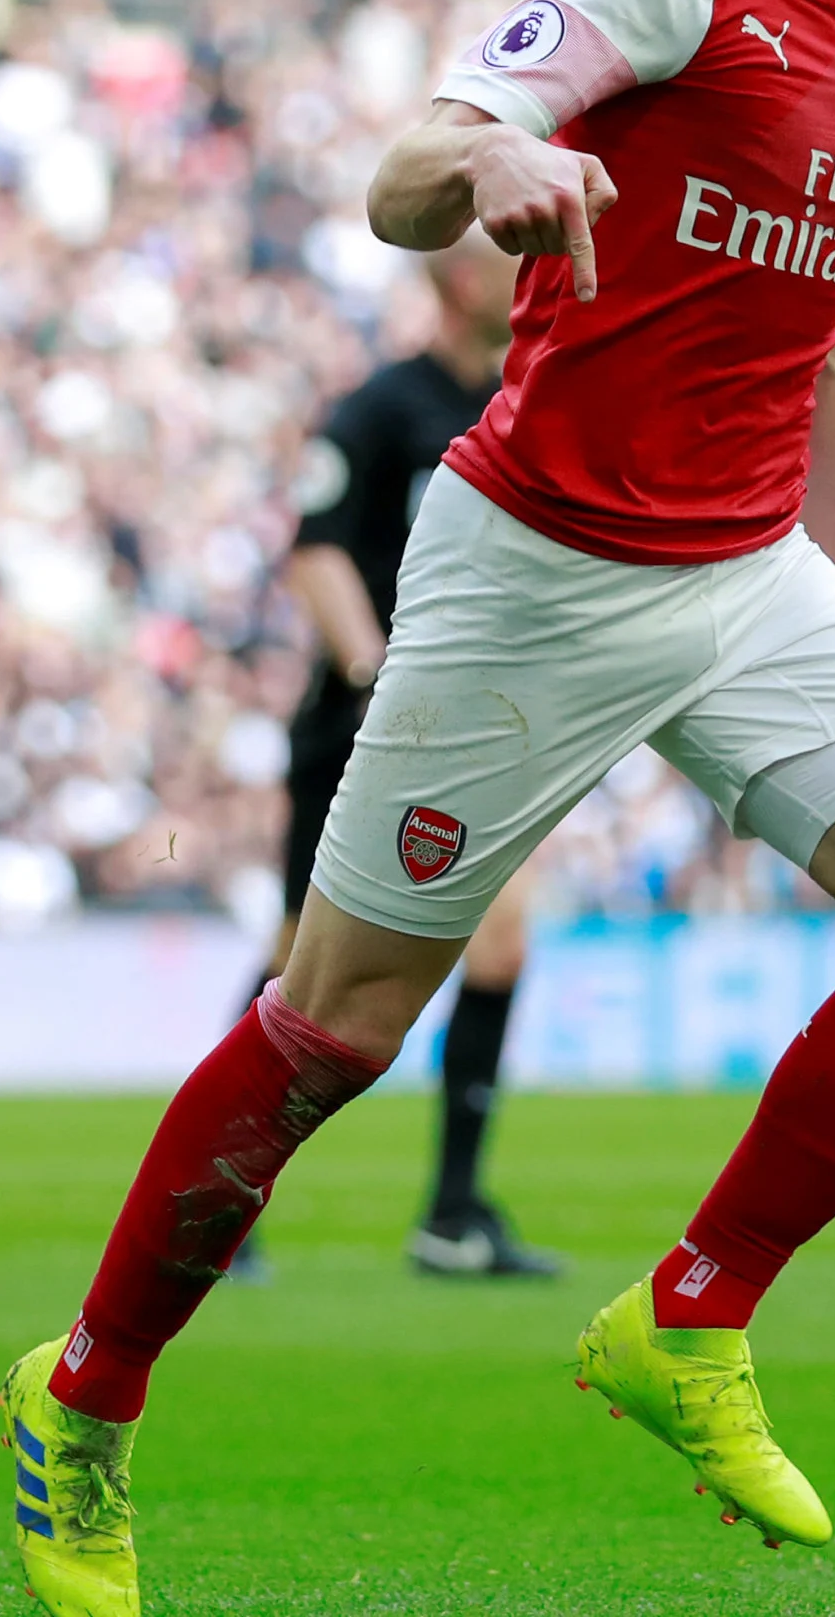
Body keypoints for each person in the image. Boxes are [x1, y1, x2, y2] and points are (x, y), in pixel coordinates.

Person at [0, 0, 835, 1605]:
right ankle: (82, 1393)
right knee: (333, 1033)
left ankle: (690, 1316)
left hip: (746, 574)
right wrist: (505, 158)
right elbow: (404, 173)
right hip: (534, 570)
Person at [233, 233, 554, 1284]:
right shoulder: (381, 406)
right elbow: (317, 543)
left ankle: (452, 1215)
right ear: (463, 282)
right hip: (363, 721)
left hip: (478, 724)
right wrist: (369, 662)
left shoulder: (530, 397)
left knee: (501, 941)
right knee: (298, 961)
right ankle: (215, 1198)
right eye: (514, 258)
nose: (535, 270)